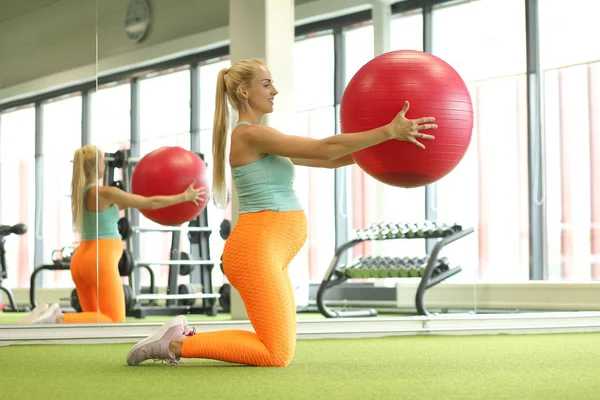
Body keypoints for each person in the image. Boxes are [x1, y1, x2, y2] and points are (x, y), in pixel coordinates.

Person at [125, 58, 437, 367]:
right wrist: (388, 131)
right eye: (266, 84)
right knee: (275, 353)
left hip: (267, 251)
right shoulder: (248, 135)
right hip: (253, 251)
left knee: (277, 344)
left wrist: (388, 151)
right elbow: (324, 148)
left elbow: (329, 160)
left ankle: (177, 337)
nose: (275, 90)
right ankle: (174, 344)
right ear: (245, 92)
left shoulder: (261, 137)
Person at [19, 144, 205, 325]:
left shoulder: (81, 194)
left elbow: (121, 206)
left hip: (81, 259)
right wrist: (184, 197)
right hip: (100, 260)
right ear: (99, 165)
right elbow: (152, 203)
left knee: (94, 318)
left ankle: (47, 315)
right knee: (114, 319)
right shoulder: (106, 193)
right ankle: (55, 318)